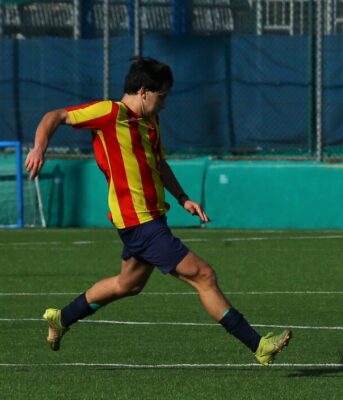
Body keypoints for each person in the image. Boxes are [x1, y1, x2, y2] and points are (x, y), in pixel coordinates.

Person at [25, 56, 291, 365]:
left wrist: (182, 197)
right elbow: (54, 115)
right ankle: (258, 345)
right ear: (143, 91)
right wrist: (39, 147)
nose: (164, 103)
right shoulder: (109, 113)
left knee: (128, 284)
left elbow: (158, 163)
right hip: (139, 222)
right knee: (204, 275)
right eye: (161, 96)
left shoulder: (151, 122)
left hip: (150, 218)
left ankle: (61, 319)